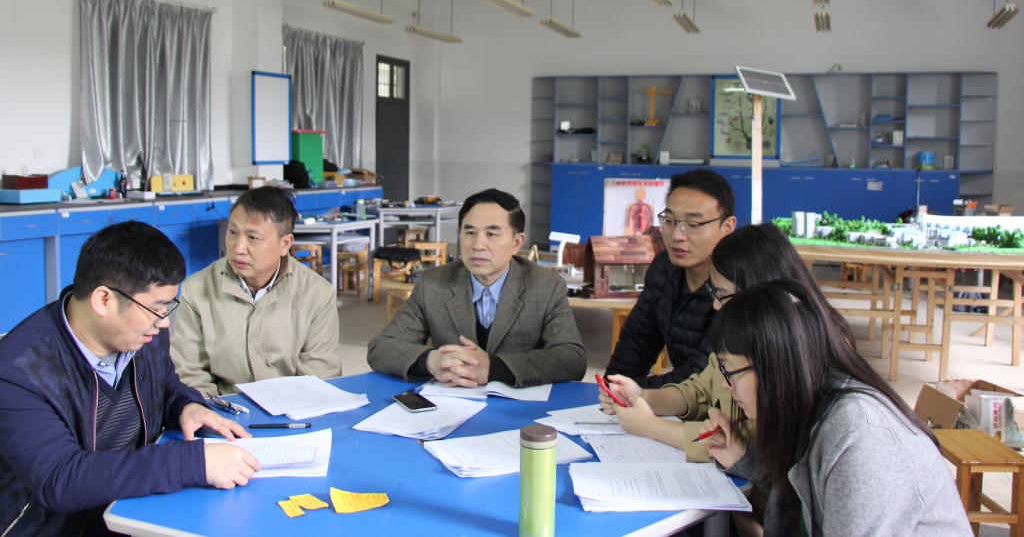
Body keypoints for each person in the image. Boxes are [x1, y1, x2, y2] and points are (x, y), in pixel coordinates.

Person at [0, 222, 260, 536]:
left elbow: (164, 383)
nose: (164, 323)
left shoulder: (142, 334)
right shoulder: (17, 373)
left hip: (131, 507)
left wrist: (185, 405)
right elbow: (60, 479)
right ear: (104, 300)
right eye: (157, 307)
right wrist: (190, 462)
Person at [701, 279, 972, 536]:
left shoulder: (862, 439)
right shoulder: (812, 407)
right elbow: (805, 500)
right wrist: (741, 457)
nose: (725, 384)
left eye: (728, 370)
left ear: (772, 365)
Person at [600, 223, 852, 462]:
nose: (716, 305)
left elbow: (744, 445)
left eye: (721, 294)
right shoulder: (742, 336)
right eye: (713, 292)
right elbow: (701, 389)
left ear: (757, 291)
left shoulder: (795, 353)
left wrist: (649, 426)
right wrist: (643, 396)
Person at [367, 188, 587, 387]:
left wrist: (493, 368)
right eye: (470, 232)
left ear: (516, 243)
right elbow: (382, 348)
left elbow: (572, 358)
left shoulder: (545, 285)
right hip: (452, 405)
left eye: (492, 234)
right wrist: (431, 361)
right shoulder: (432, 284)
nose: (478, 245)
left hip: (520, 408)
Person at [171, 186, 342, 395]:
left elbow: (320, 379)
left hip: (293, 407)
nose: (238, 247)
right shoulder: (197, 289)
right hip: (223, 408)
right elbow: (189, 373)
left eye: (252, 237)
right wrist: (215, 410)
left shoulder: (317, 294)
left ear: (285, 244)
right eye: (232, 233)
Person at [605, 169, 736, 387]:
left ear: (727, 227)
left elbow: (702, 374)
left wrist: (635, 392)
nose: (677, 235)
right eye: (670, 220)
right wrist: (612, 388)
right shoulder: (663, 268)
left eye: (693, 224)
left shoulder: (736, 284)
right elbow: (636, 343)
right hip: (679, 399)